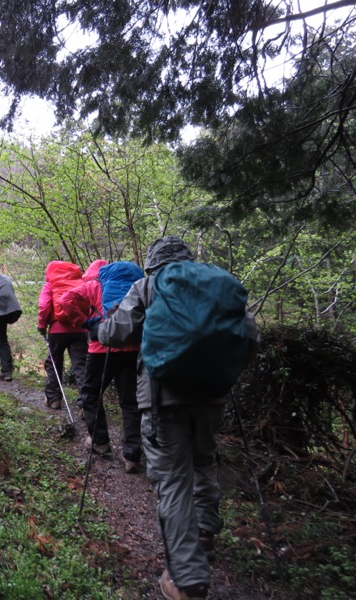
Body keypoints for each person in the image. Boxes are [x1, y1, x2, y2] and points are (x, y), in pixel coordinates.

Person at [95, 236, 260, 600]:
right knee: (203, 462)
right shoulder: (218, 283)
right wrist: (225, 376)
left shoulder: (148, 285)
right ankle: (204, 534)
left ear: (153, 263)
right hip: (212, 395)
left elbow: (117, 331)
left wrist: (97, 328)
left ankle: (186, 579)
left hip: (162, 397)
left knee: (172, 480)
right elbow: (249, 336)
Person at [60, 259, 145, 473]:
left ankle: (100, 442)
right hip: (133, 348)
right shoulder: (136, 286)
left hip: (101, 349)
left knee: (91, 393)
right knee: (130, 401)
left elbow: (66, 299)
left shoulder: (95, 285)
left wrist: (85, 322)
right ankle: (132, 455)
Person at [37, 261, 88, 409]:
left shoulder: (51, 284)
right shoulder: (81, 283)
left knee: (54, 363)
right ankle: (86, 405)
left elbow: (44, 306)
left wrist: (42, 325)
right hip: (80, 329)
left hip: (57, 330)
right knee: (81, 367)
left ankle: (54, 399)